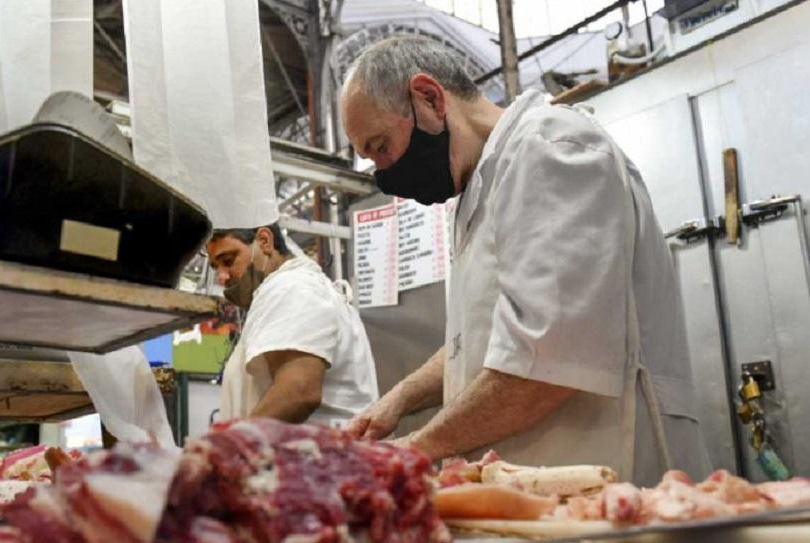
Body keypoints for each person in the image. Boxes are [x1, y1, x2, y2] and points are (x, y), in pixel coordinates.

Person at [340, 36, 711, 485]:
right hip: (549, 481)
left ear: (430, 98)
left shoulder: (551, 148)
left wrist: (413, 450)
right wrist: (399, 399)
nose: (384, 172)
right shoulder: (478, 190)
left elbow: (547, 361)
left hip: (611, 468)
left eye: (381, 146)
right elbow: (482, 340)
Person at [206, 223, 378, 426]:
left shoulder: (292, 287)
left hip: (320, 454)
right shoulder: (287, 289)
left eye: (228, 260)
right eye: (216, 267)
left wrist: (228, 449)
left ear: (265, 241)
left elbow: (298, 392)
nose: (222, 276)